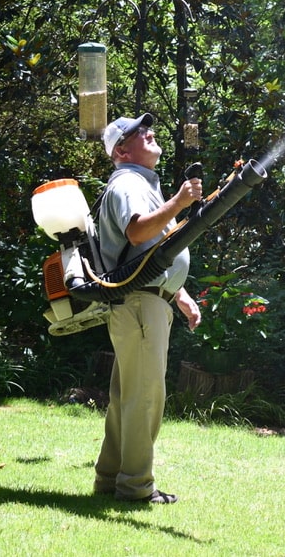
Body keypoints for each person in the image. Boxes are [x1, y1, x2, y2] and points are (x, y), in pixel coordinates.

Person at [94, 112, 203, 504]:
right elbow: (138, 230)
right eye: (139, 132)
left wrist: (178, 292)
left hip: (141, 303)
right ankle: (137, 487)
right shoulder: (128, 183)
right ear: (121, 150)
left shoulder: (138, 183)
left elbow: (149, 254)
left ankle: (111, 479)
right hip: (141, 306)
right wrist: (180, 200)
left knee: (128, 396)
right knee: (145, 397)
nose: (149, 133)